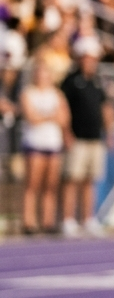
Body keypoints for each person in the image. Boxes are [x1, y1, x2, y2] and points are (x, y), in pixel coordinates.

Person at [61, 42, 114, 237]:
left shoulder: (98, 82)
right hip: (78, 137)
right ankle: (68, 219)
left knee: (89, 181)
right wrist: (66, 132)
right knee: (72, 179)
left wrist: (109, 132)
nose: (90, 62)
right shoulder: (71, 81)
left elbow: (105, 107)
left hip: (94, 137)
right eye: (87, 58)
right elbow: (63, 107)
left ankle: (88, 219)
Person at [20, 54, 70, 234]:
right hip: (35, 143)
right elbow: (32, 117)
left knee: (50, 185)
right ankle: (29, 221)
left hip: (52, 143)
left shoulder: (57, 94)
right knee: (32, 184)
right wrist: (50, 116)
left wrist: (47, 117)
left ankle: (48, 221)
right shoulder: (28, 93)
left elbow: (64, 118)